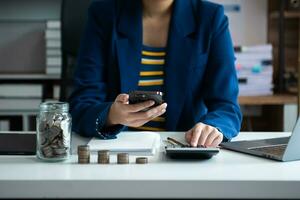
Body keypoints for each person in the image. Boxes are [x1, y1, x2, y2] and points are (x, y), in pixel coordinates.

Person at [69, 0, 242, 148]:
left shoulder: (210, 17)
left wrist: (213, 127)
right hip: (116, 152)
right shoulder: (104, 14)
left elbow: (227, 106)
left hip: (183, 150)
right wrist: (111, 115)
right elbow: (82, 104)